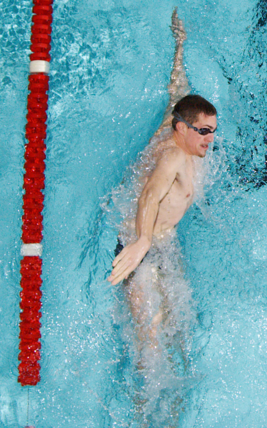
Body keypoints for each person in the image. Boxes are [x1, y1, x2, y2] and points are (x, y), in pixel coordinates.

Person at [107, 10, 217, 372]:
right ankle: (143, 416)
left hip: (164, 241)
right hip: (139, 245)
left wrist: (180, 46)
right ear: (181, 128)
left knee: (178, 328)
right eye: (203, 131)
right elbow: (150, 196)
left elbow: (178, 90)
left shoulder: (179, 131)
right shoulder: (171, 155)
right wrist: (141, 241)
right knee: (150, 342)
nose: (210, 138)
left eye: (213, 130)